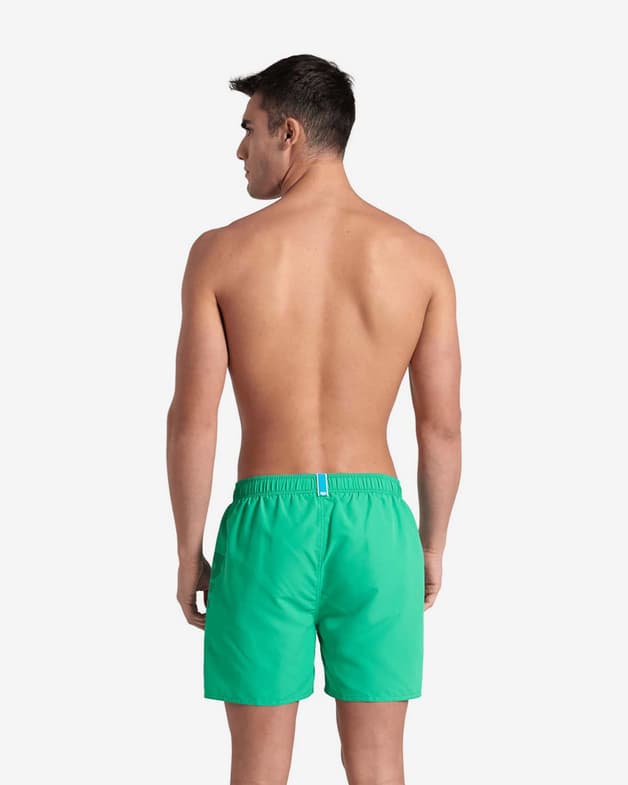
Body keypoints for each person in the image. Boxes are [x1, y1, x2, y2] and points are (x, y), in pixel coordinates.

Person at [166, 53, 462, 785]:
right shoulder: (419, 257)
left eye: (250, 129)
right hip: (379, 527)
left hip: (270, 524)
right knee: (379, 763)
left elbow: (193, 420)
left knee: (257, 768)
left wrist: (188, 548)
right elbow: (441, 428)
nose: (240, 149)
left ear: (289, 132)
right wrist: (430, 544)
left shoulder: (221, 254)